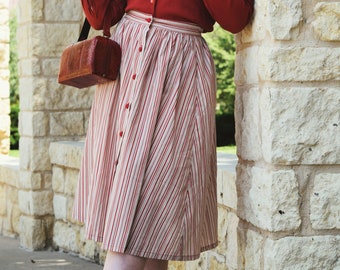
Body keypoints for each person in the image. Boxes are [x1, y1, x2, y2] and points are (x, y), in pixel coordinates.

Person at [73, 0, 254, 269]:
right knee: (145, 239)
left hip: (179, 68)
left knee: (151, 219)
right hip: (129, 61)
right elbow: (101, 17)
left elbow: (235, 17)